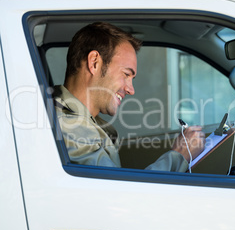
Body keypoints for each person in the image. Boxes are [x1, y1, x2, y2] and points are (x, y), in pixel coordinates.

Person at [53, 22, 205, 172]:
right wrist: (179, 156)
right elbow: (119, 194)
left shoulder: (84, 122)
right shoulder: (70, 127)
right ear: (94, 63)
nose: (131, 90)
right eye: (126, 74)